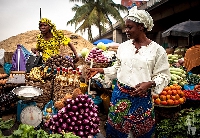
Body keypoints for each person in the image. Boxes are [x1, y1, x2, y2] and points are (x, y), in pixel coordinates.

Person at [89, 6, 171, 138]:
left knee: (140, 132)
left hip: (142, 99)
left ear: (141, 27)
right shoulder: (123, 47)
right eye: (125, 27)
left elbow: (164, 75)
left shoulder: (157, 50)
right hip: (120, 96)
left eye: (130, 27)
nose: (126, 30)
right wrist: (101, 70)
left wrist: (150, 83)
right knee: (117, 131)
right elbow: (117, 68)